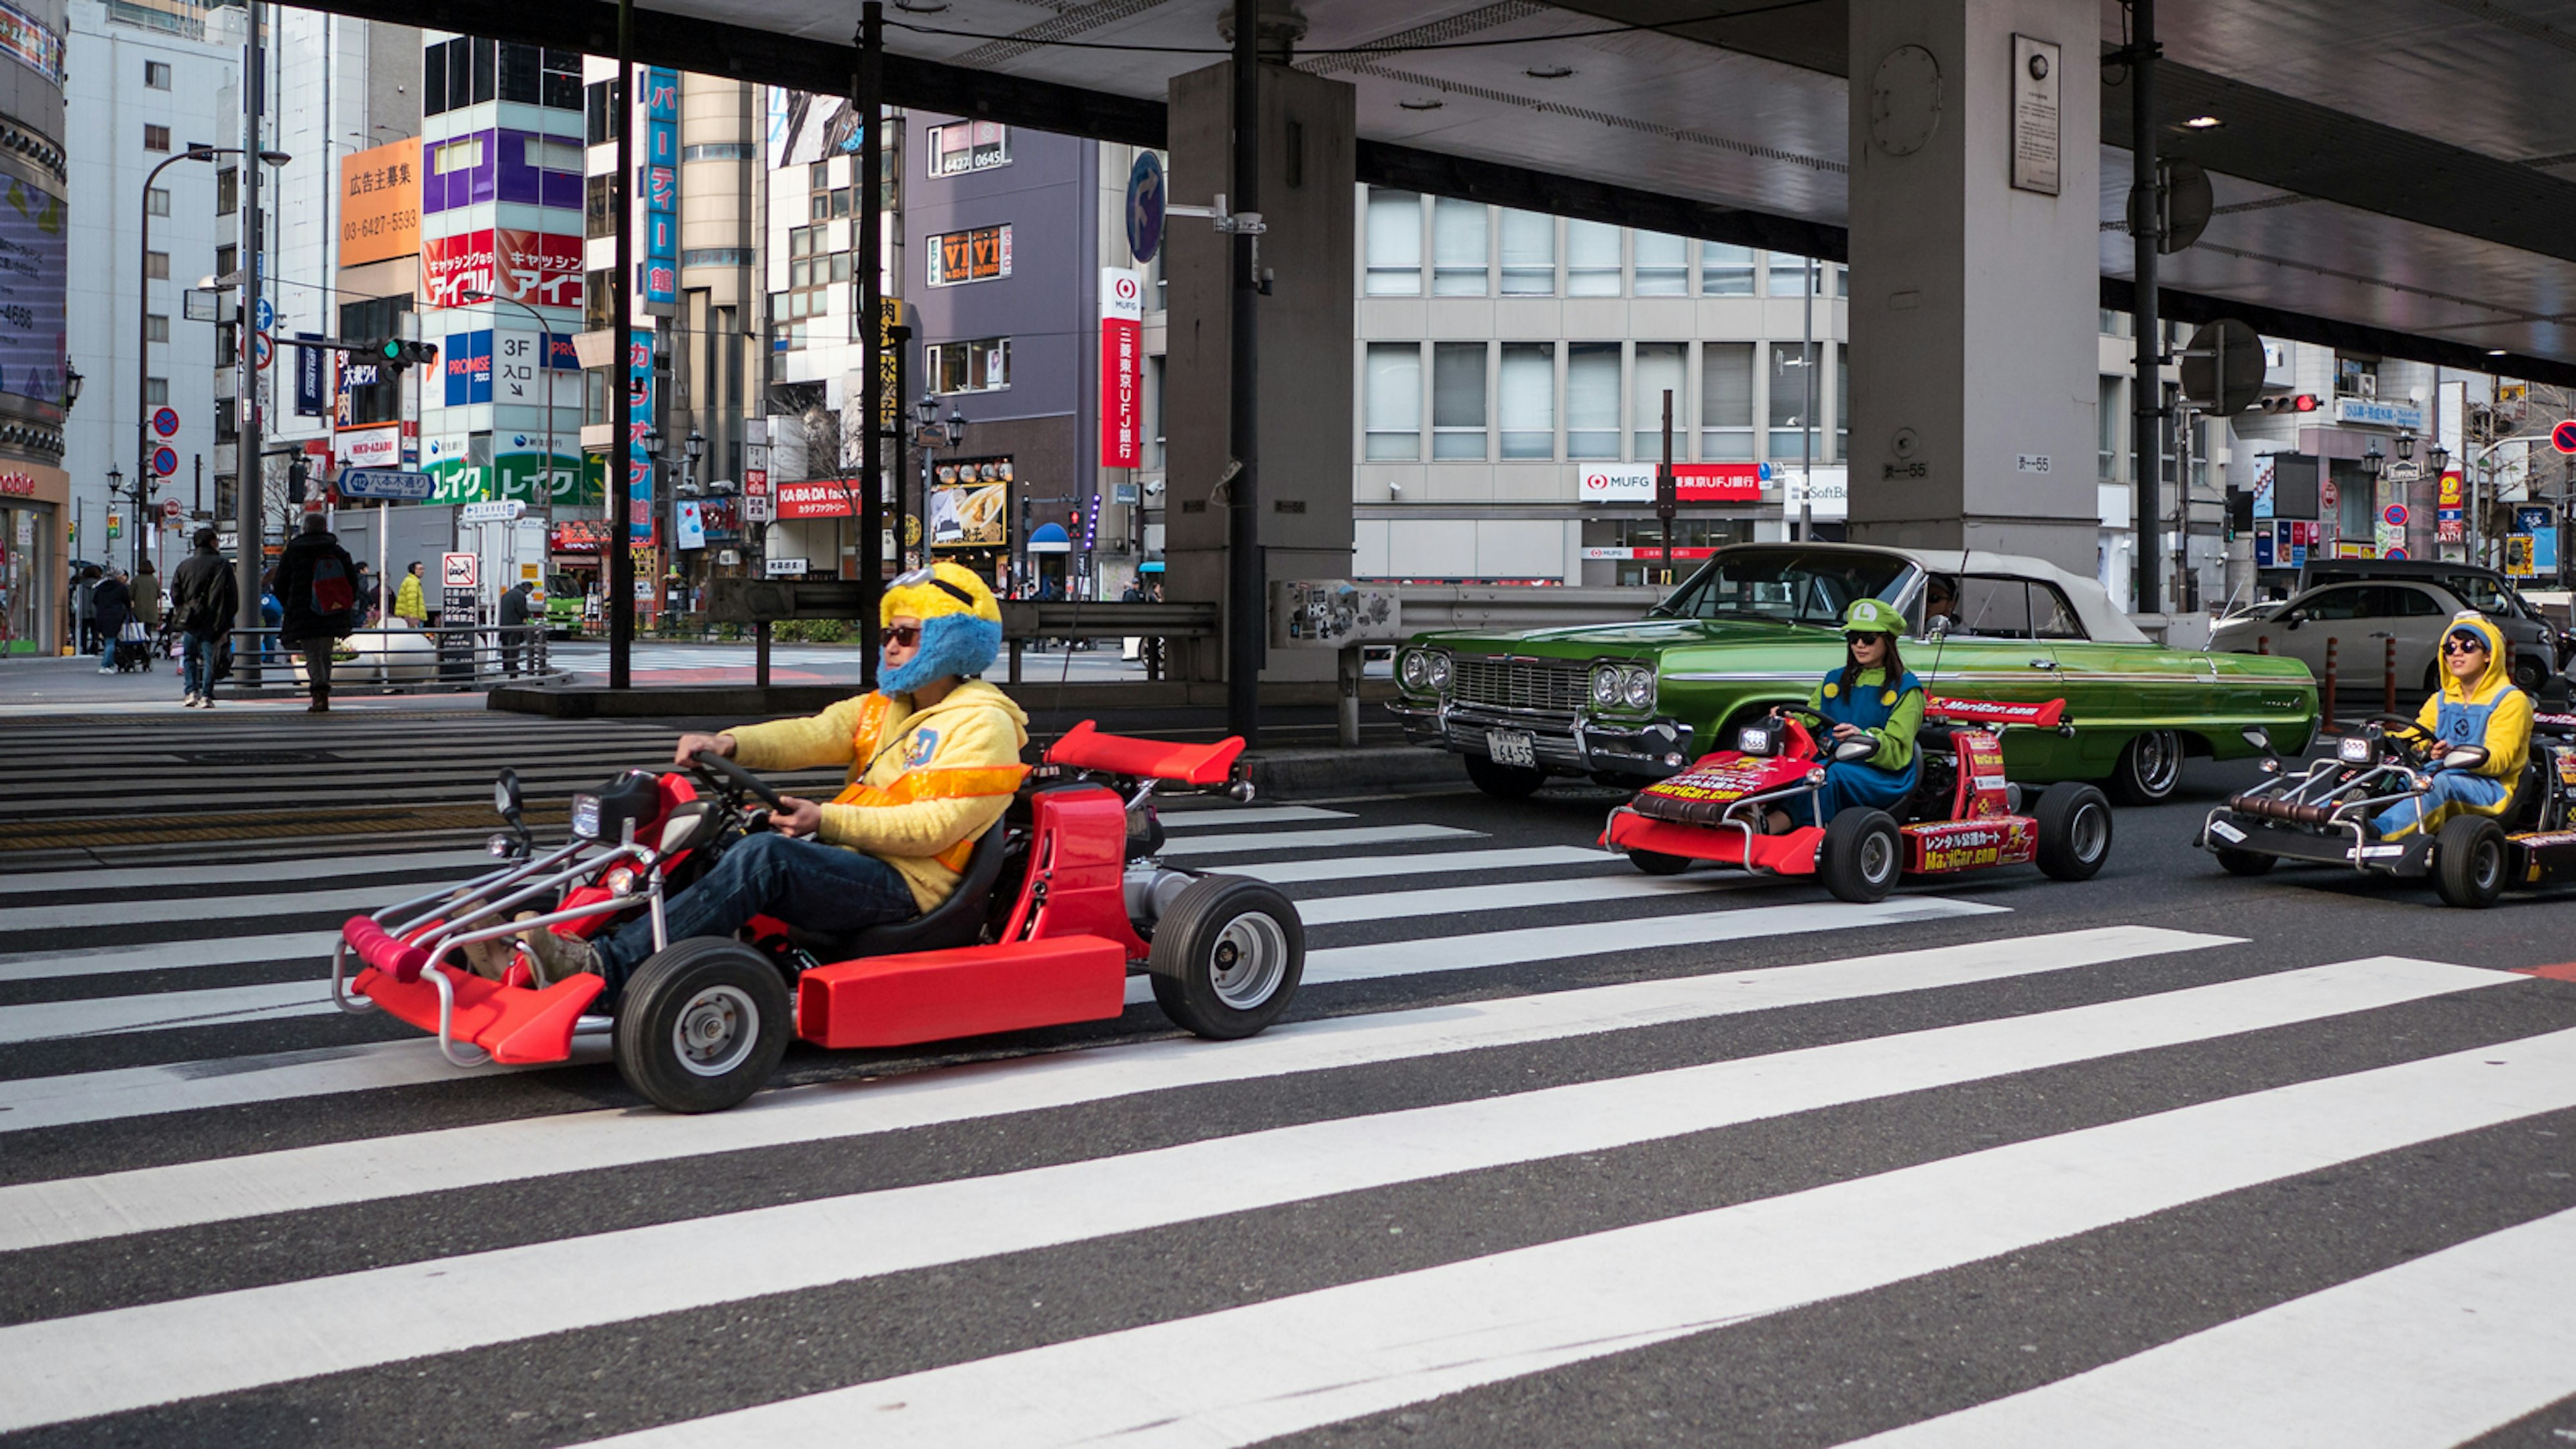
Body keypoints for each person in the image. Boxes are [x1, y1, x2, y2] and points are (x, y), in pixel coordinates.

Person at [517, 561, 1030, 1006]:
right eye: (889, 633)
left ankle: (602, 969)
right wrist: (729, 745)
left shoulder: (982, 724)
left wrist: (824, 819)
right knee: (718, 846)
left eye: (908, 635)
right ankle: (586, 944)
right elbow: (813, 733)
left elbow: (934, 829)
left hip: (911, 884)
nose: (892, 645)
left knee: (767, 858)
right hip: (858, 860)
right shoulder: (887, 707)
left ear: (950, 640)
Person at [2372, 612, 2532, 840]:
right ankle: (2326, 816)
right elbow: (2416, 737)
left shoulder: (2510, 701)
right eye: (2450, 648)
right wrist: (2381, 739)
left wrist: (2454, 756)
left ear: (2489, 654)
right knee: (2383, 775)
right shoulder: (2441, 699)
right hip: (2435, 772)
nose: (2457, 653)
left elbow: (2499, 760)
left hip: (2490, 788)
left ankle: (2380, 832)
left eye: (2468, 646)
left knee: (2438, 785)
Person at [1775, 597, 1926, 830]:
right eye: (1853, 638)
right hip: (1831, 761)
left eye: (1868, 638)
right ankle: (1744, 815)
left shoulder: (1907, 688)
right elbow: (1811, 718)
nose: (1859, 645)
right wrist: (1786, 720)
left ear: (1888, 641)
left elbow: (1897, 750)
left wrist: (1862, 735)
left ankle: (1784, 828)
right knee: (1782, 768)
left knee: (1825, 776)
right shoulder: (1834, 679)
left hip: (1882, 774)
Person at [274, 513, 360, 712]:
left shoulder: (293, 552)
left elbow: (280, 583)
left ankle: (319, 693)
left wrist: (290, 605)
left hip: (303, 612)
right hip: (332, 610)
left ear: (305, 529)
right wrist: (343, 605)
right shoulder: (337, 551)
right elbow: (352, 583)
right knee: (325, 653)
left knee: (312, 654)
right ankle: (323, 692)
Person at [170, 527, 237, 708]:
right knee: (210, 658)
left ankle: (191, 692)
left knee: (190, 656)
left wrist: (184, 609)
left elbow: (175, 594)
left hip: (190, 618)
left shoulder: (184, 565)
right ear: (212, 542)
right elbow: (231, 595)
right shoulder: (222, 564)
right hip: (213, 619)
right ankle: (207, 695)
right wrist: (228, 618)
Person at [91, 568, 133, 674]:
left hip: (101, 616)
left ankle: (109, 663)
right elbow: (127, 602)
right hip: (115, 616)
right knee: (111, 641)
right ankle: (106, 665)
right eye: (123, 576)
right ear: (118, 576)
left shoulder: (101, 587)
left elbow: (95, 600)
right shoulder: (121, 588)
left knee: (107, 640)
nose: (124, 578)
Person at [496, 580, 534, 676]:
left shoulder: (507, 594)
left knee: (505, 647)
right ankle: (513, 668)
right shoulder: (520, 595)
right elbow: (522, 611)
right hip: (514, 624)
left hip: (503, 624)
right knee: (514, 648)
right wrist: (527, 616)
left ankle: (506, 667)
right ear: (528, 589)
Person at [132, 559, 162, 658]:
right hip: (151, 610)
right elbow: (159, 595)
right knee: (148, 632)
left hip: (138, 610)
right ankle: (147, 651)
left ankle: (140, 651)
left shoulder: (136, 580)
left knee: (138, 633)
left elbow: (130, 595)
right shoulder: (154, 580)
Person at [71, 565, 98, 654]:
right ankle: (95, 647)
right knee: (95, 631)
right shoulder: (99, 585)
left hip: (82, 612)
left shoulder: (80, 585)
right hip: (96, 611)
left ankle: (84, 648)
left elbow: (75, 599)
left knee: (83, 631)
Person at [392, 561, 428, 627]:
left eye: (423, 569)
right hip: (412, 618)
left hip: (408, 616)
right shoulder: (412, 582)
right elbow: (411, 601)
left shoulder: (411, 580)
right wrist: (413, 617)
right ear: (413, 570)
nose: (423, 571)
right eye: (420, 569)